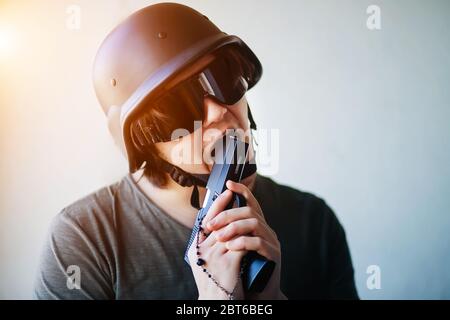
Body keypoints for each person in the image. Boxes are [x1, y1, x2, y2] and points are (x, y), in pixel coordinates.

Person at [34, 3, 358, 300]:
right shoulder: (83, 241)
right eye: (179, 106)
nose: (219, 113)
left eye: (224, 79)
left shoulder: (314, 224)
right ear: (144, 143)